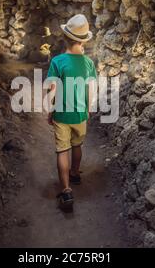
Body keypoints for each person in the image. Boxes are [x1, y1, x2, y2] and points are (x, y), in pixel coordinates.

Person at [46, 14, 97, 209]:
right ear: (83, 41)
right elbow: (91, 88)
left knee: (62, 150)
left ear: (65, 38)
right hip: (80, 113)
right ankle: (75, 173)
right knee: (77, 146)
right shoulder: (89, 63)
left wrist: (51, 110)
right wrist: (89, 108)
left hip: (61, 113)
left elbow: (53, 88)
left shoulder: (58, 62)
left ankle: (66, 190)